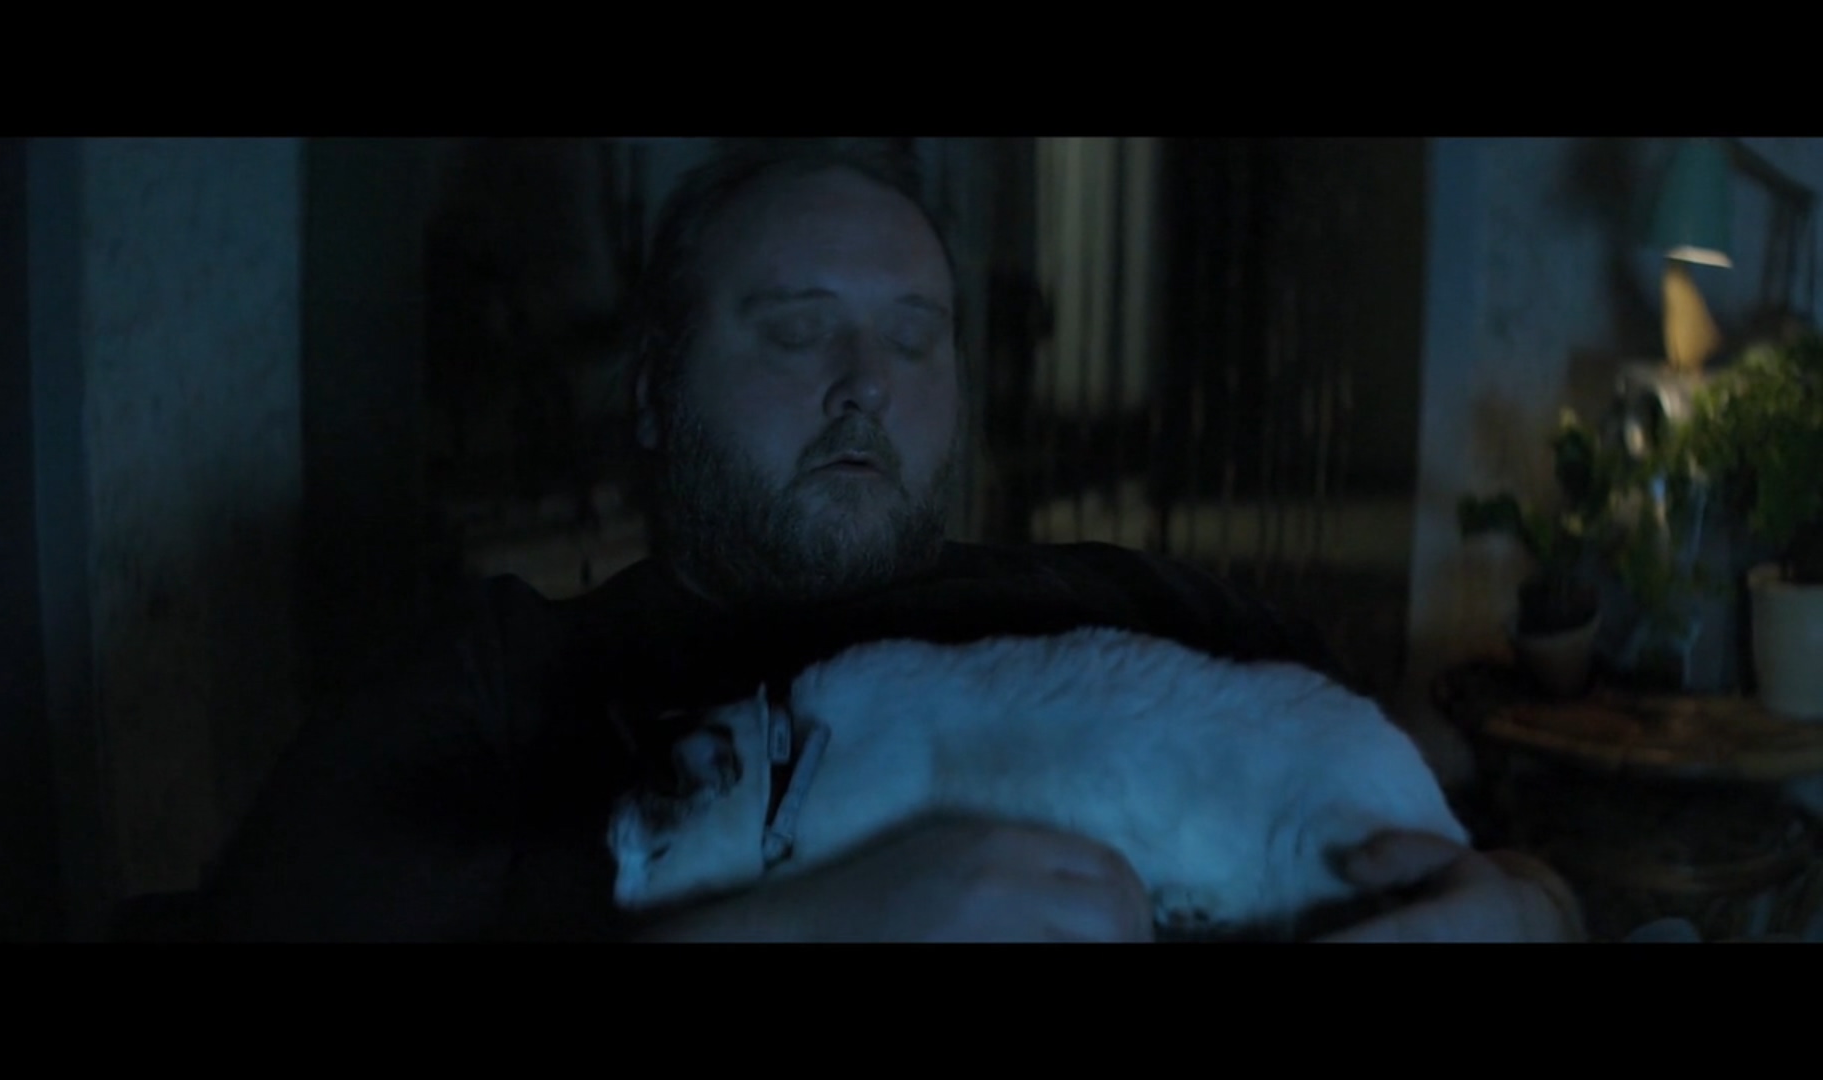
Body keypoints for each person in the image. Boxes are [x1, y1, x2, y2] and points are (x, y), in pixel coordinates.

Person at [195, 139, 1586, 943]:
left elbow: (1496, 870)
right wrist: (806, 926)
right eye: (797, 331)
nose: (863, 383)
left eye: (915, 339)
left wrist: (1524, 912)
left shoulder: (1140, 614)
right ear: (655, 393)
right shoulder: (506, 687)